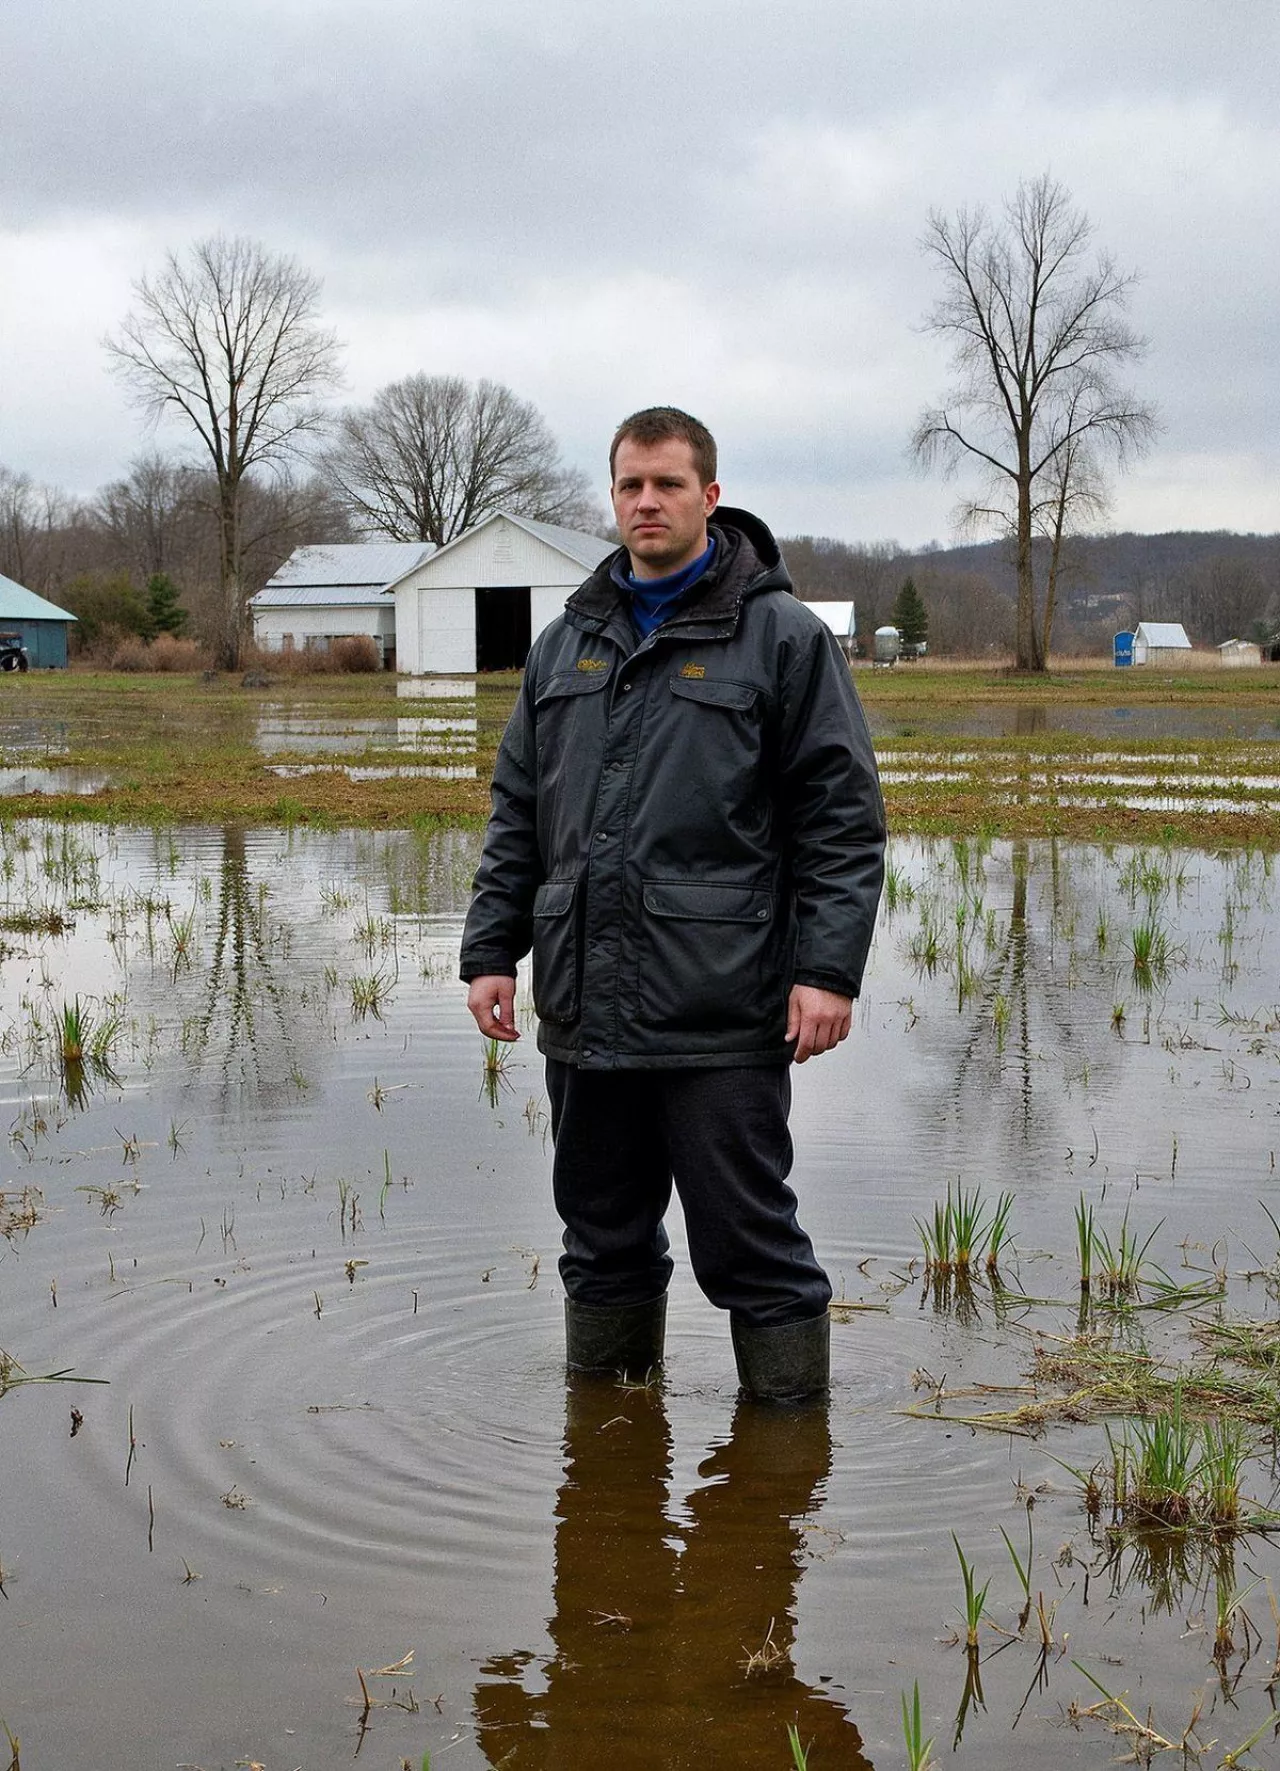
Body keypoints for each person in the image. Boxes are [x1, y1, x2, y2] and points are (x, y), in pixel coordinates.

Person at [461, 407, 884, 1401]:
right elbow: (517, 811)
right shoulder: (563, 644)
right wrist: (491, 950)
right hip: (585, 1010)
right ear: (611, 499)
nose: (645, 502)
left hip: (721, 1011)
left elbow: (841, 820)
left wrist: (825, 970)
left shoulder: (780, 639)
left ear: (709, 496)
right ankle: (608, 1460)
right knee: (599, 1238)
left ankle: (782, 1469)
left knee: (749, 1244)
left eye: (666, 483)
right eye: (628, 486)